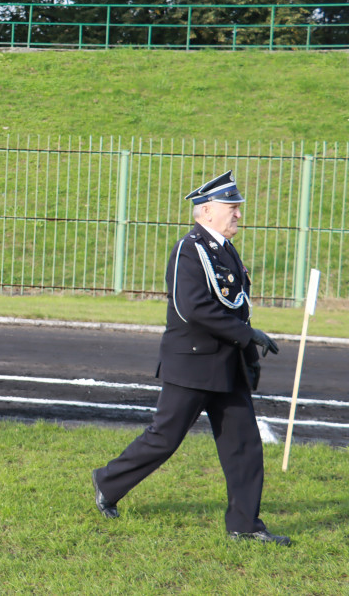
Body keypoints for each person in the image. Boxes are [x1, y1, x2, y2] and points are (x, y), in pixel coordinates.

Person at [92, 171, 290, 546]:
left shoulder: (224, 250)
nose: (238, 215)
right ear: (207, 211)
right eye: (232, 208)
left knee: (244, 445)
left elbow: (236, 309)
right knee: (164, 438)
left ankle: (244, 525)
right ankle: (107, 482)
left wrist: (248, 353)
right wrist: (249, 336)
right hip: (193, 363)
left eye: (237, 208)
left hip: (227, 365)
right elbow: (193, 308)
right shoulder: (190, 248)